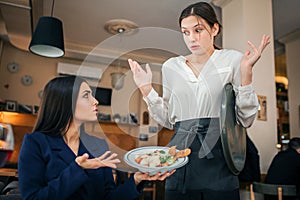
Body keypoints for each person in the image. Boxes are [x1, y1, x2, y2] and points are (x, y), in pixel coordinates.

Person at [128, 2, 270, 200]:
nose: (191, 38)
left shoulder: (233, 60)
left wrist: (246, 75)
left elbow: (245, 120)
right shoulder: (171, 67)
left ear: (215, 29)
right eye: (185, 32)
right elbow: (168, 120)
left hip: (220, 157)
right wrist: (146, 89)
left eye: (198, 30)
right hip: (179, 157)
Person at [18, 76, 173, 200]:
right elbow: (33, 197)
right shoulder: (36, 143)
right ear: (66, 102)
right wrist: (78, 169)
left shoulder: (97, 145)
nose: (95, 101)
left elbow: (109, 197)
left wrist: (137, 179)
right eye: (87, 95)